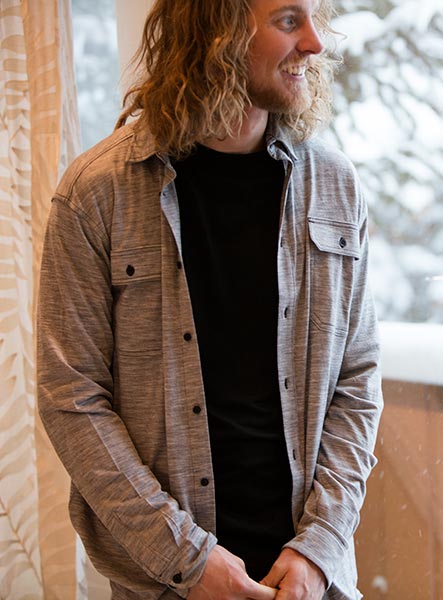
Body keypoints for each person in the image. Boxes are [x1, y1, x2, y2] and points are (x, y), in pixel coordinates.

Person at [36, 0, 382, 598]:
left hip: (313, 582)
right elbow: (72, 399)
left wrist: (318, 548)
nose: (316, 42)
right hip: (165, 583)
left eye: (314, 17)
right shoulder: (96, 195)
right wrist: (188, 560)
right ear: (217, 29)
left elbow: (358, 379)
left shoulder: (335, 186)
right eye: (288, 20)